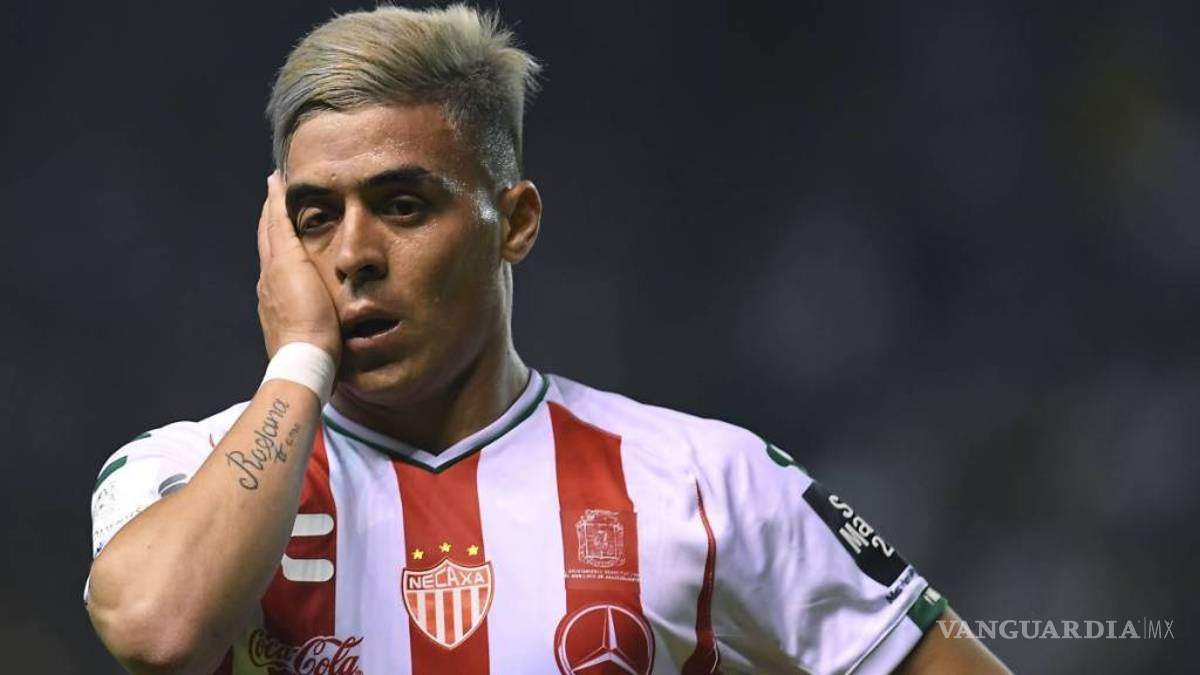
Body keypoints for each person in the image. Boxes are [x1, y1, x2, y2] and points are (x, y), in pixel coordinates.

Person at [84, 4, 1010, 674]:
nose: (354, 254)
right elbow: (161, 630)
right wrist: (297, 363)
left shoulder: (709, 483)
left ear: (515, 222)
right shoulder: (179, 469)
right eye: (316, 216)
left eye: (403, 205)